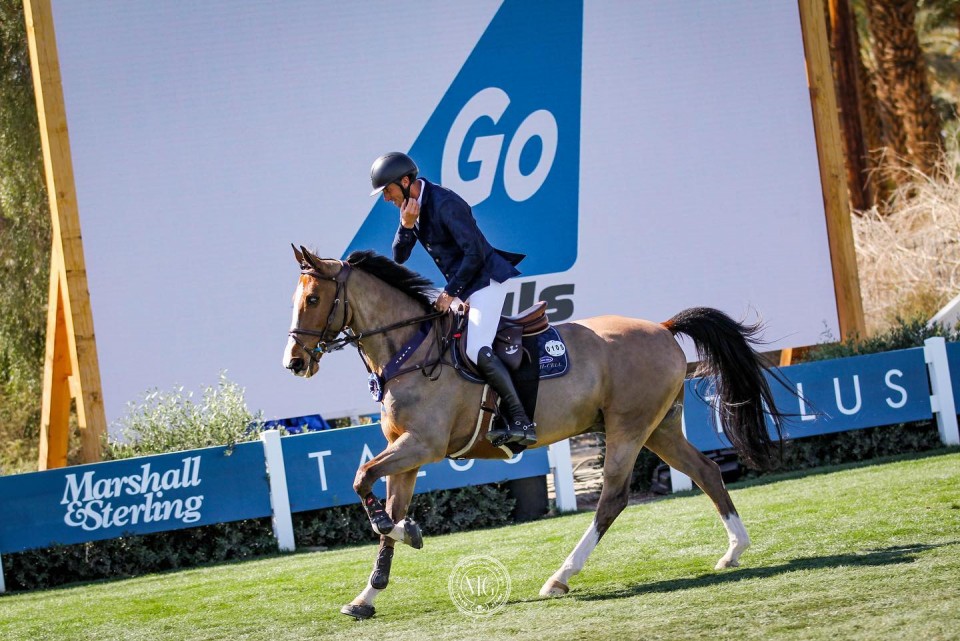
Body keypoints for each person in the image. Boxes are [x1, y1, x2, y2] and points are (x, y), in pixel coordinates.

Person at [369, 151, 536, 446]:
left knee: (476, 349)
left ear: (405, 181)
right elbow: (399, 255)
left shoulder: (446, 203)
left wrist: (449, 293)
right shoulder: (412, 207)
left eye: (388, 190)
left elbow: (474, 254)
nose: (386, 198)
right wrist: (406, 226)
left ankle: (520, 419)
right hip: (463, 286)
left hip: (485, 281)